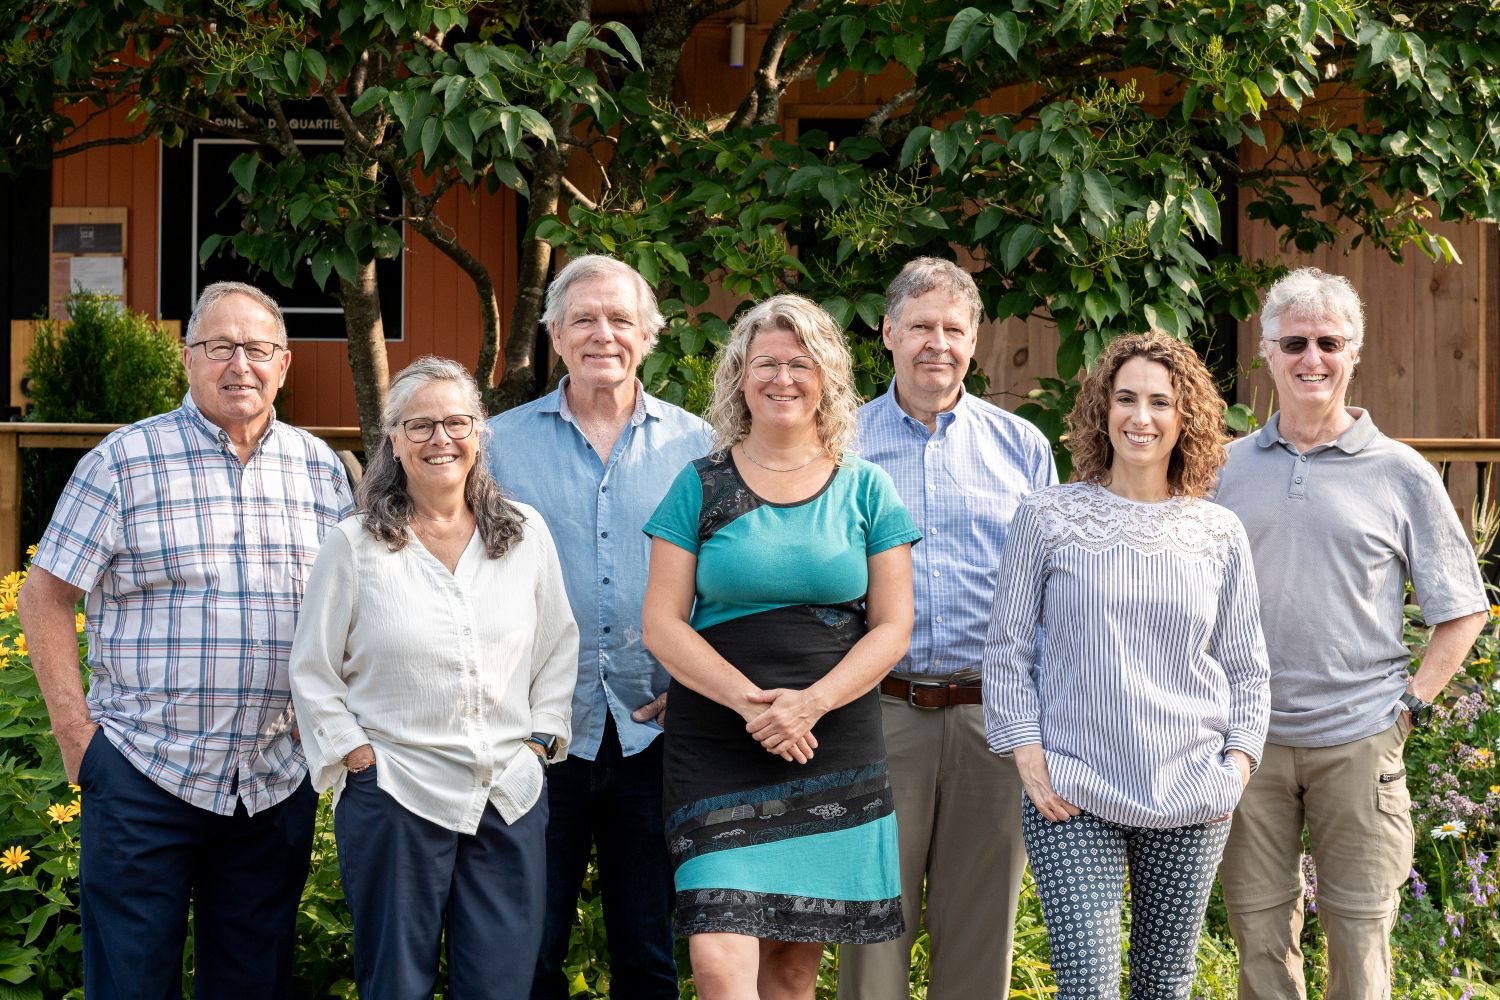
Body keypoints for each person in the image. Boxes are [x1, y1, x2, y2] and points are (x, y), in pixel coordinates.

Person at [15, 281, 353, 997]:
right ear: (187, 358)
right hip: (143, 773)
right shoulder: (123, 460)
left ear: (284, 363)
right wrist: (77, 739)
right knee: (132, 986)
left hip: (270, 781)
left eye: (257, 348)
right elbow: (44, 595)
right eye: (219, 346)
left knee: (253, 984)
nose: (240, 364)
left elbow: (350, 609)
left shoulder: (321, 469)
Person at [1214, 267, 1488, 1000]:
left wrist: (1411, 705)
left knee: (1361, 940)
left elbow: (1463, 609)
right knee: (1259, 938)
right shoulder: (1223, 470)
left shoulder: (1401, 473)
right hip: (1247, 745)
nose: (1313, 358)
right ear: (1267, 353)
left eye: (1329, 343)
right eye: (1295, 343)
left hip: (1360, 741)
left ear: (1354, 353)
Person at [641, 294, 919, 1000]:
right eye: (765, 363)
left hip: (830, 744)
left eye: (801, 363)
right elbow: (663, 624)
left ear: (827, 378)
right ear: (740, 376)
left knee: (793, 974)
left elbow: (893, 627)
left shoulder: (866, 488)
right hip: (717, 744)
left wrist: (809, 706)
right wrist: (755, 707)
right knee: (718, 957)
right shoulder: (699, 484)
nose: (783, 378)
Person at [983, 331, 1270, 1000]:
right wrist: (1029, 756)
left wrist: (1236, 767)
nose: (1142, 417)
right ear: (1102, 410)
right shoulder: (1048, 516)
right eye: (1126, 398)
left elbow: (1247, 668)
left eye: (1160, 402)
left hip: (1190, 791)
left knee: (1164, 984)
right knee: (1087, 984)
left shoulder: (1218, 532)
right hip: (1072, 790)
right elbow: (1006, 648)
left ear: (1185, 417)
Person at [289, 356, 578, 999]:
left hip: (507, 792)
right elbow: (313, 670)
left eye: (456, 422)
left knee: (502, 985)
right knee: (395, 983)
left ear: (479, 432)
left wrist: (538, 743)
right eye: (420, 425)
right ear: (394, 440)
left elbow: (558, 646)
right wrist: (356, 756)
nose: (440, 439)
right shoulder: (354, 544)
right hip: (397, 790)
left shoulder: (526, 533)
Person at [486, 255, 713, 1000]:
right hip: (535, 731)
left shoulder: (700, 446)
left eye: (620, 319)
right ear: (555, 335)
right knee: (531, 950)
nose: (602, 334)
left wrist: (698, 685)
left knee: (647, 954)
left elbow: (728, 579)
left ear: (649, 336)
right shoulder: (496, 445)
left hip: (657, 731)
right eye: (582, 319)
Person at [840, 257, 1056, 1000]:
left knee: (980, 931)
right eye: (921, 326)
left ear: (974, 340)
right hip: (877, 712)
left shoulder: (1022, 446)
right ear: (888, 331)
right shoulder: (840, 442)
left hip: (991, 720)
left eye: (954, 329)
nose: (938, 343)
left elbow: (1052, 592)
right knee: (872, 927)